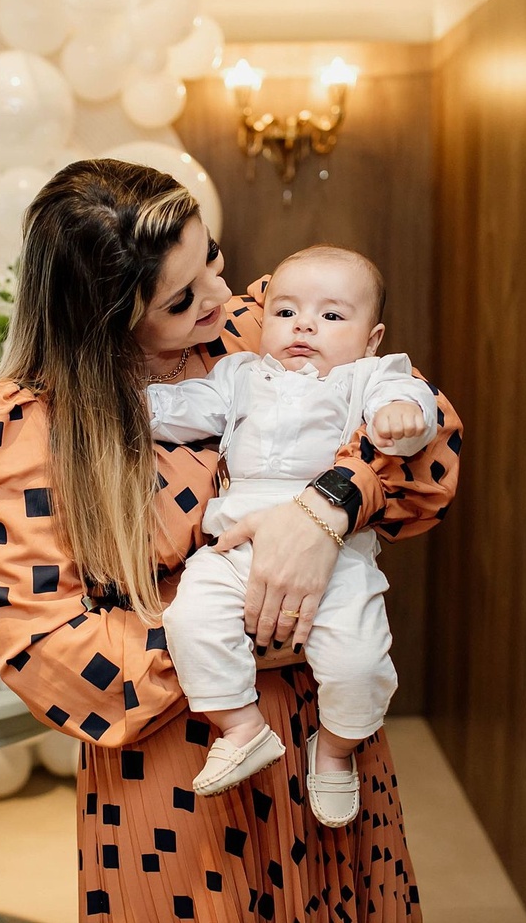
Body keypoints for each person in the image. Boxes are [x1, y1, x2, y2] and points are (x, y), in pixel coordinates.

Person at [0, 159, 461, 921]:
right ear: (105, 317)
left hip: (324, 712)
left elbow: (426, 447)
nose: (224, 296)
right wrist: (246, 632)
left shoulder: (266, 322)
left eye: (214, 258)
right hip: (174, 756)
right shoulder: (31, 420)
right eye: (180, 299)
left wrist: (326, 510)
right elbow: (43, 647)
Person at [147, 246, 436, 826]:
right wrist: (123, 402)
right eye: (285, 312)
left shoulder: (369, 376)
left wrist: (404, 414)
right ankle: (241, 726)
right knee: (190, 618)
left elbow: (415, 406)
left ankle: (336, 750)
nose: (303, 326)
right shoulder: (240, 375)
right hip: (232, 546)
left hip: (335, 554)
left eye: (331, 316)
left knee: (360, 661)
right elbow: (180, 409)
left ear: (372, 338)